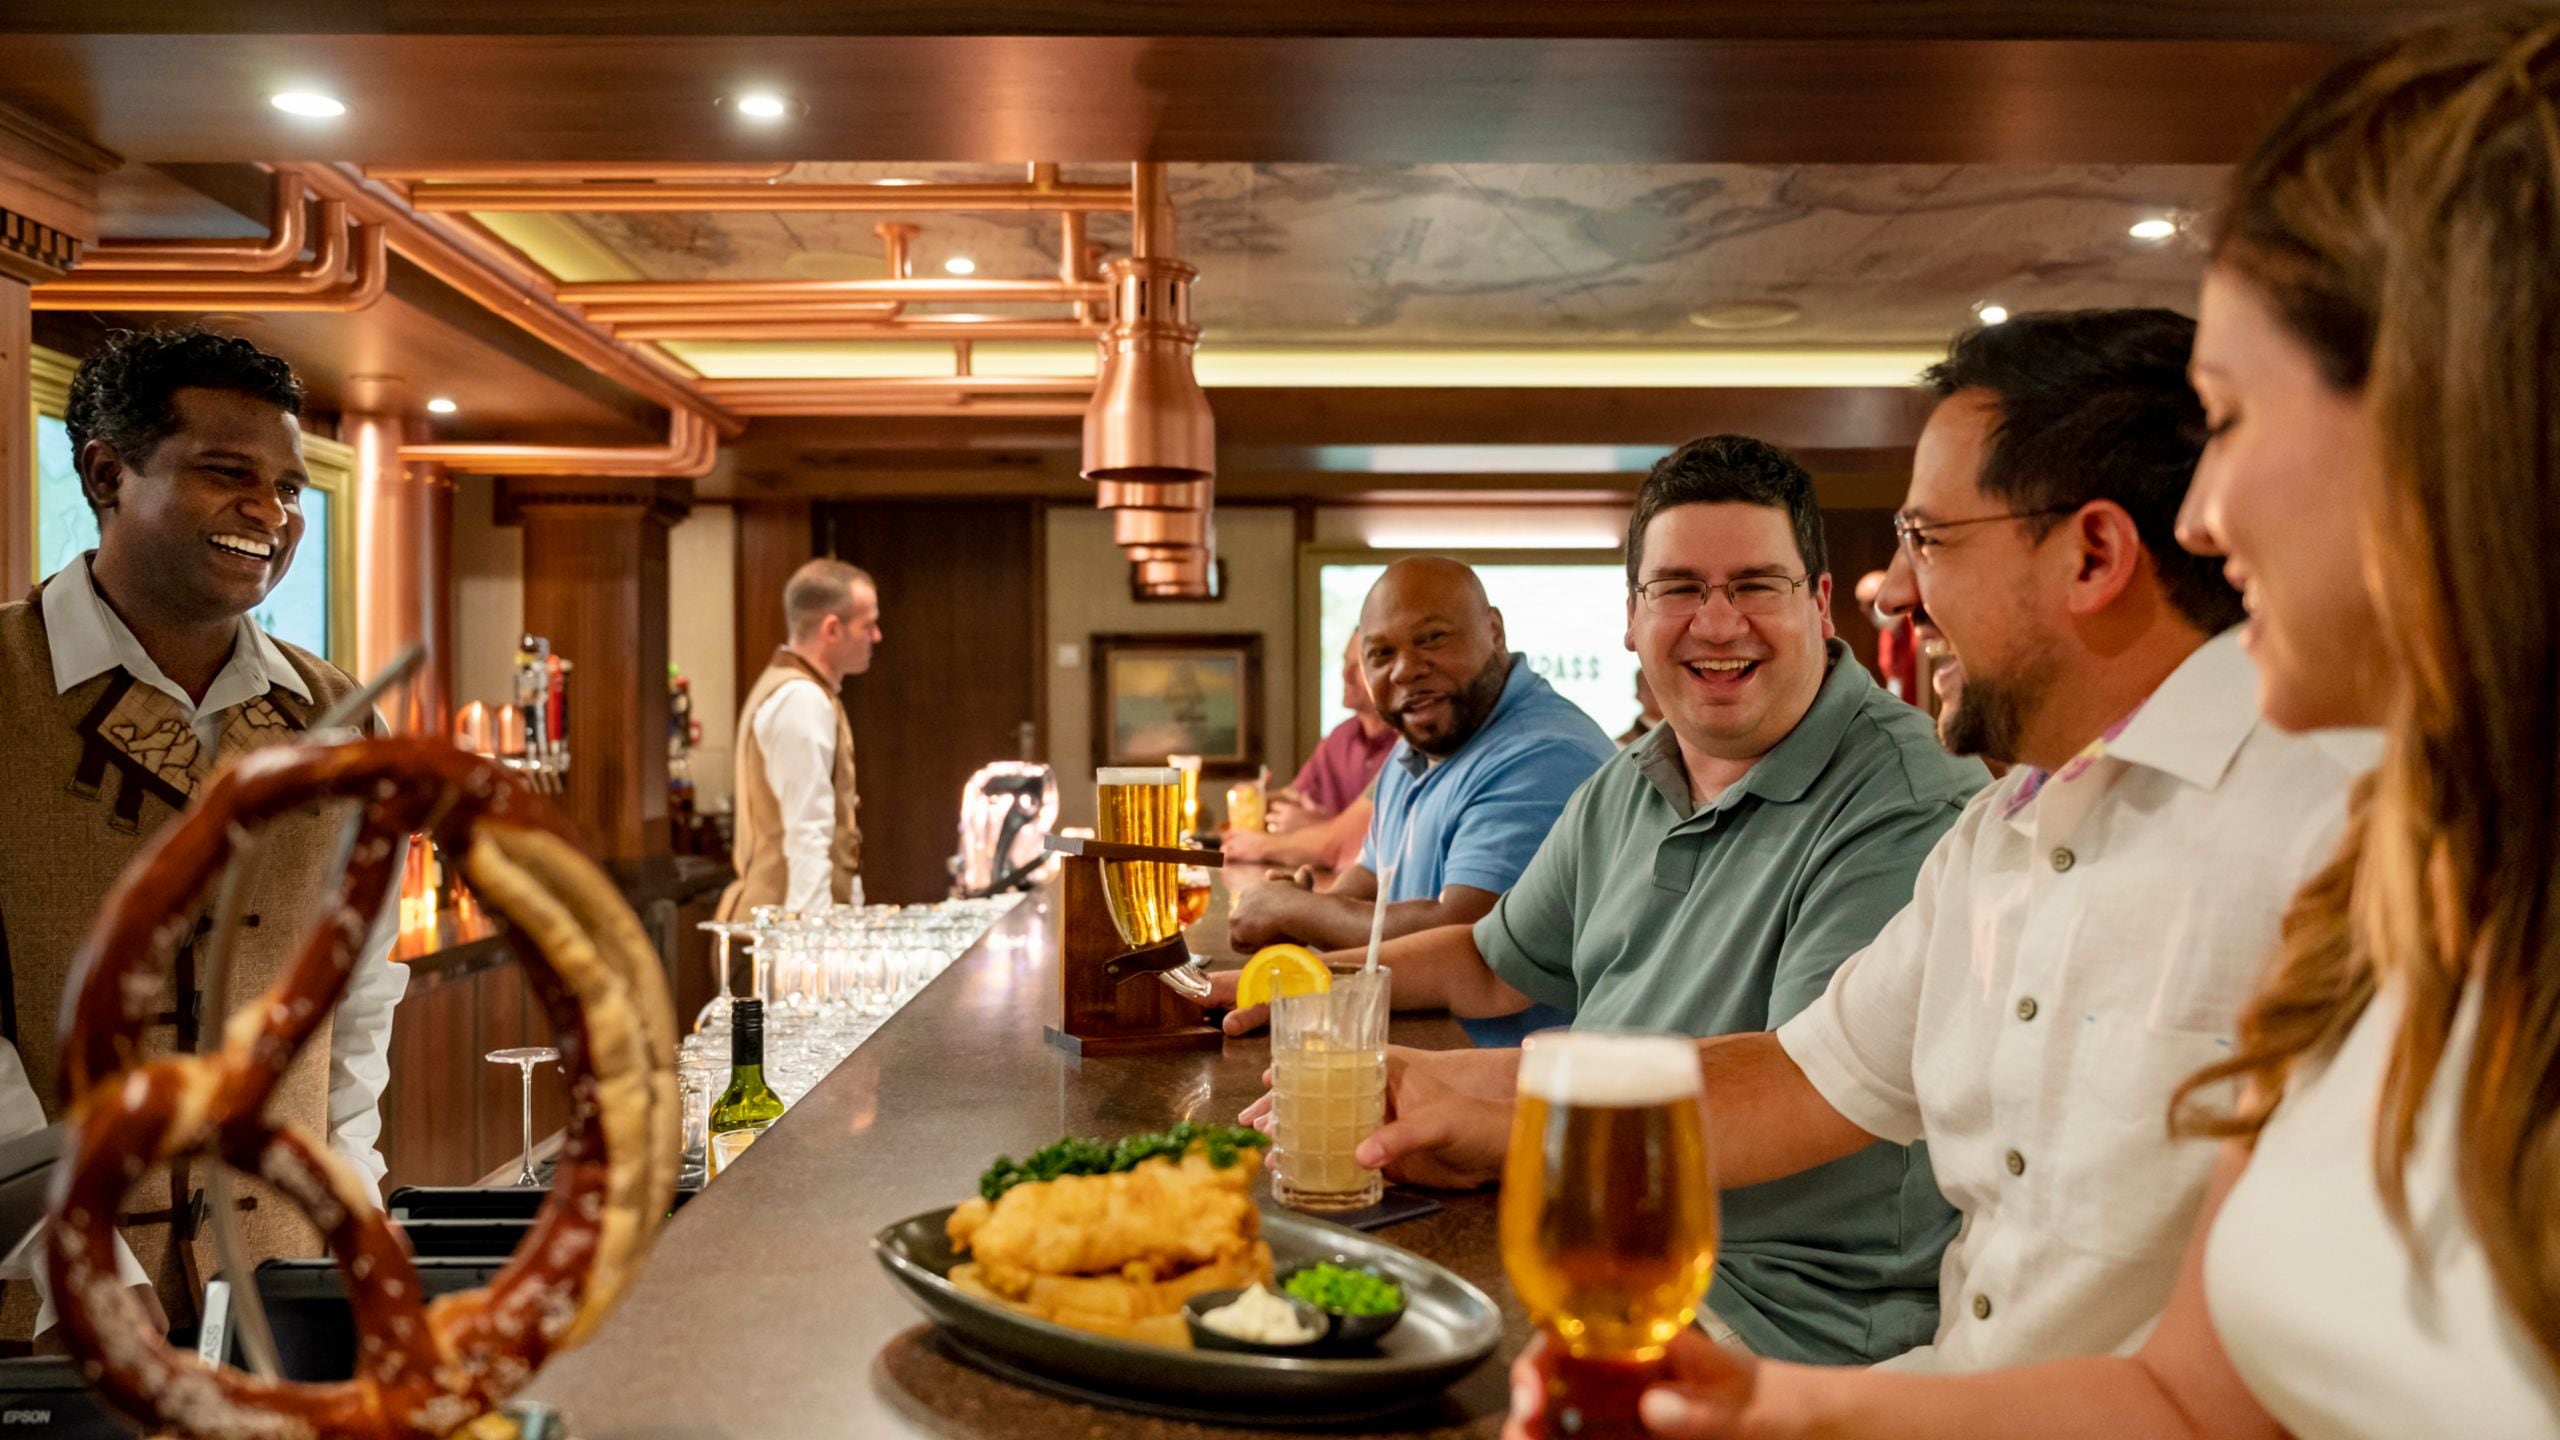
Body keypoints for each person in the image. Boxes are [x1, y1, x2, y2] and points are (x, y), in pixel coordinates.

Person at [1504, 17, 2560, 1438]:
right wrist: (1779, 1415)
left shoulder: (2329, 815)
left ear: (2459, 418)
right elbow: (2191, 1394)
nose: (2206, 512)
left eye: (2234, 420)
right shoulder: (2415, 861)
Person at [1390, 310, 2372, 1382]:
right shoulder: (1998, 835)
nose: (1891, 593)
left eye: (1927, 541)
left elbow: (2224, 1395)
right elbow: (1801, 1074)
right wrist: (1480, 1100)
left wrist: (1773, 1404)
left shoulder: (2344, 832)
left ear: (2093, 553)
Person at [1238, 435, 1990, 1364]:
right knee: (1244, 1298)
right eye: (1678, 589)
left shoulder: (1905, 802)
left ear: (1820, 607)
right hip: (1590, 1219)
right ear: (1631, 618)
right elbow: (1489, 960)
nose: (1717, 625)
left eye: (1755, 585)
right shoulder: (1632, 777)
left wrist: (1509, 1120)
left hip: (1768, 1307)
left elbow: (1800, 1086)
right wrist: (1321, 994)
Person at [0, 328, 407, 1340]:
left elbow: (358, 998)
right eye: (227, 474)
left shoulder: (340, 718)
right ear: (107, 472)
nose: (268, 516)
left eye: (289, 489)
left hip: (277, 1288)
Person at [1222, 556, 1613, 1045]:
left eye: (1432, 639)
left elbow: (1466, 931)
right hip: (1415, 1057)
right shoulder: (1417, 747)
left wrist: (1297, 913)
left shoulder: (1544, 753)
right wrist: (1301, 915)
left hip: (1512, 1089)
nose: (1406, 669)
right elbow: (1368, 880)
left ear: (1494, 631)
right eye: (1381, 654)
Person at [717, 559, 880, 919]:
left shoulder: (803, 691)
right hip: (778, 935)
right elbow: (806, 833)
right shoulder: (801, 699)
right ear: (832, 629)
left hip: (780, 930)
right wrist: (813, 946)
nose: (877, 636)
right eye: (868, 625)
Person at [1222, 632, 1393, 873]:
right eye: (1345, 662)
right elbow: (1295, 796)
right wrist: (1258, 800)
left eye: (1359, 666)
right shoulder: (1340, 737)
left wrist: (1319, 829)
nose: (1345, 674)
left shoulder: (1410, 746)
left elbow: (1349, 845)